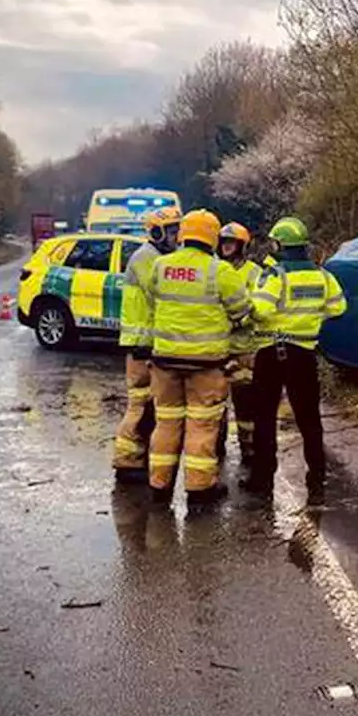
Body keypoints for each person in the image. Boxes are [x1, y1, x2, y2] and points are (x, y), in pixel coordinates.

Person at [146, 208, 251, 508]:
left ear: (183, 234)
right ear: (213, 238)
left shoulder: (160, 265)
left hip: (165, 361)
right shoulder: (221, 272)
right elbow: (241, 311)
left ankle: (159, 486)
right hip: (206, 365)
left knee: (166, 422)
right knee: (201, 426)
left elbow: (154, 301)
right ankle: (199, 489)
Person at [245, 217, 347, 502]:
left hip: (271, 352)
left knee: (264, 417)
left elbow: (261, 310)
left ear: (279, 244)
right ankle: (316, 474)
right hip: (304, 354)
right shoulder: (322, 275)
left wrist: (247, 310)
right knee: (309, 419)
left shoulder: (275, 275)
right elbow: (338, 307)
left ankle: (262, 478)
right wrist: (311, 317)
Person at [111, 205, 182, 483]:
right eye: (172, 230)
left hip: (148, 343)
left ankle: (136, 459)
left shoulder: (158, 257)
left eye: (179, 229)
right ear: (156, 232)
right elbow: (163, 295)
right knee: (140, 406)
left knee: (147, 406)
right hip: (142, 345)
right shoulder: (146, 259)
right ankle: (128, 461)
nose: (177, 236)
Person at [216, 222, 265, 471]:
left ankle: (249, 447)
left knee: (245, 402)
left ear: (242, 246)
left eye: (231, 242)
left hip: (245, 348)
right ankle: (216, 446)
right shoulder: (215, 270)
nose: (226, 246)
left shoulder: (255, 273)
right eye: (223, 241)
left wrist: (238, 320)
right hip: (218, 348)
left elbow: (258, 307)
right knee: (214, 402)